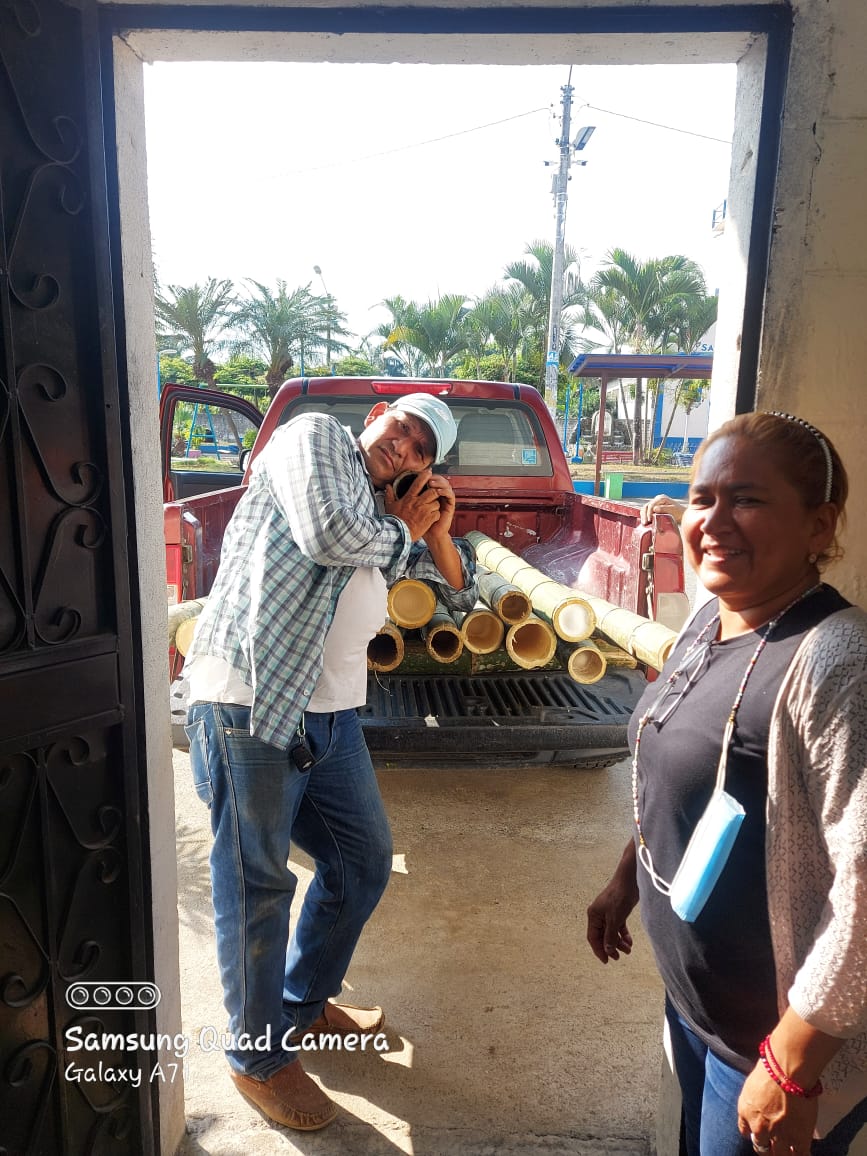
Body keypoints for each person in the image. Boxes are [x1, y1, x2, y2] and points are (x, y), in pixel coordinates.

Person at [184, 393, 477, 1131]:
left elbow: (456, 580)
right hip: (251, 701)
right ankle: (256, 1057)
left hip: (330, 714)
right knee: (257, 884)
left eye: (423, 450)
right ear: (376, 414)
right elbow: (328, 534)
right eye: (402, 427)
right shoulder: (314, 438)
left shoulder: (385, 510)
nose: (405, 447)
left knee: (362, 862)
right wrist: (403, 526)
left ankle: (301, 1005)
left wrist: (432, 524)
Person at [587, 412, 867, 1156]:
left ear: (818, 526)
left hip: (768, 1051)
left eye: (746, 499)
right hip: (697, 1009)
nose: (712, 522)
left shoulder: (838, 662)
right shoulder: (713, 618)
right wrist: (626, 878)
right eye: (701, 498)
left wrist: (791, 1067)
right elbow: (678, 771)